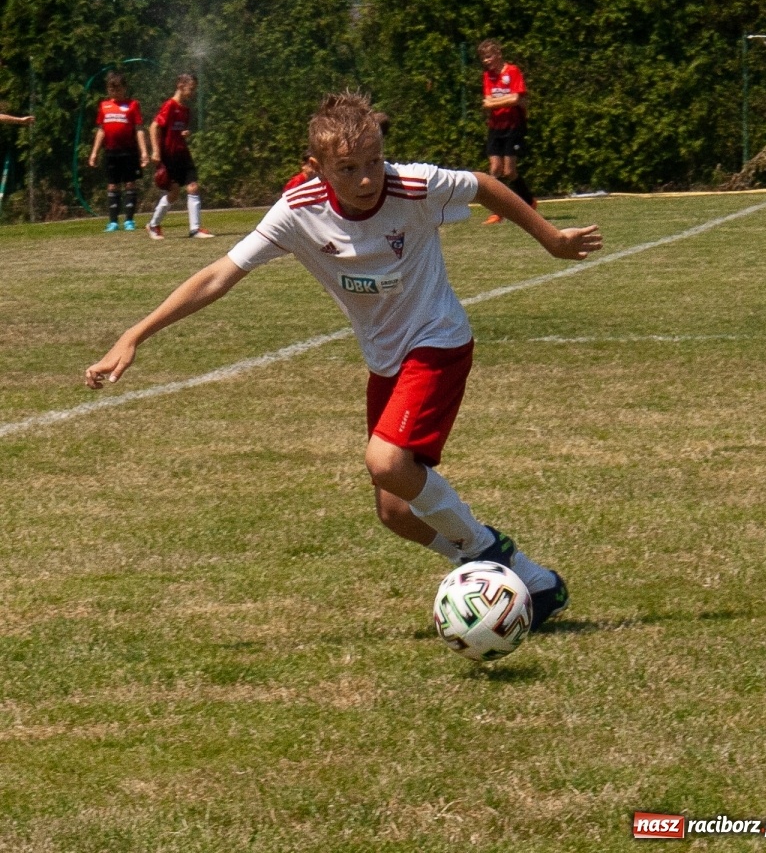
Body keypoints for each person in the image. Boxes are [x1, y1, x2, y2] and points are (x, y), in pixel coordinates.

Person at [85, 91, 602, 632]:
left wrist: (552, 240)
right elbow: (220, 274)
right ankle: (520, 579)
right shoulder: (297, 211)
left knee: (385, 462)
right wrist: (135, 334)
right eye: (348, 168)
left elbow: (485, 183)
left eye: (373, 162)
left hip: (438, 341)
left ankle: (488, 550)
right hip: (386, 362)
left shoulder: (414, 185)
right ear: (316, 168)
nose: (365, 179)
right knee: (395, 512)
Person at [147, 73, 213, 240]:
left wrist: (183, 133)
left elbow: (175, 129)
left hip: (182, 153)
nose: (192, 92)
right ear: (181, 85)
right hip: (170, 156)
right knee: (174, 192)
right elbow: (154, 127)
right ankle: (153, 225)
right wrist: (155, 151)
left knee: (193, 186)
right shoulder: (170, 105)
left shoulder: (185, 110)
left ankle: (195, 229)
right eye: (191, 89)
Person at [479, 38, 536, 225]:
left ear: (498, 54)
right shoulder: (488, 76)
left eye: (489, 56)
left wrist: (500, 102)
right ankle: (498, 211)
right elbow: (488, 102)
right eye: (483, 58)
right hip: (495, 126)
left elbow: (516, 98)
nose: (486, 61)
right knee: (495, 169)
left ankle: (528, 201)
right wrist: (507, 100)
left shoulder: (512, 71)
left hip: (513, 125)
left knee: (510, 171)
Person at [88, 72, 149, 231]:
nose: (115, 93)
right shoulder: (104, 106)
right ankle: (113, 221)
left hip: (128, 151)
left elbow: (138, 129)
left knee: (130, 183)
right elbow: (101, 130)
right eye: (111, 90)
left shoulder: (132, 105)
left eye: (118, 89)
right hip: (111, 152)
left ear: (125, 88)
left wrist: (143, 152)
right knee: (112, 185)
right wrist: (94, 152)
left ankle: (129, 220)